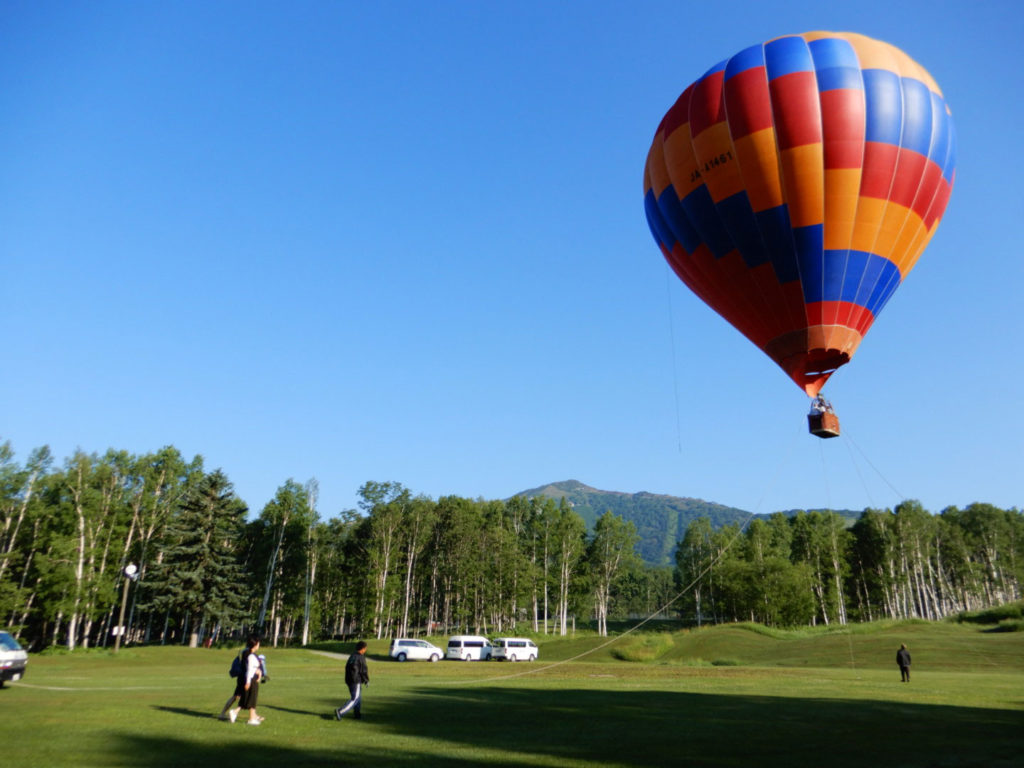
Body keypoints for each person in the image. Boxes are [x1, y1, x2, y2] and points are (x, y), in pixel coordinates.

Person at [218, 645, 268, 721]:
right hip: (245, 678)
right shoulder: (248, 653)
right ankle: (230, 713)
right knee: (245, 696)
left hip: (242, 677)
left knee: (239, 696)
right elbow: (248, 667)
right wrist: (256, 671)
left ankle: (253, 715)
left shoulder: (244, 651)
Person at [226, 635, 264, 725]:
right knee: (251, 700)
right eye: (258, 644)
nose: (259, 645)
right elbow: (250, 670)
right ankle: (251, 719)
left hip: (253, 679)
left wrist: (259, 673)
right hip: (251, 680)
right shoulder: (251, 656)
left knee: (248, 699)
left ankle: (236, 713)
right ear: (255, 645)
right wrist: (248, 682)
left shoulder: (252, 655)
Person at [335, 640, 369, 720]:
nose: (366, 650)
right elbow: (363, 670)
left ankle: (357, 714)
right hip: (355, 680)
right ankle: (340, 711)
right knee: (355, 698)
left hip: (349, 679)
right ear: (363, 649)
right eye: (365, 648)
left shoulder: (352, 656)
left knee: (358, 697)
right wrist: (366, 680)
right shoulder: (361, 657)